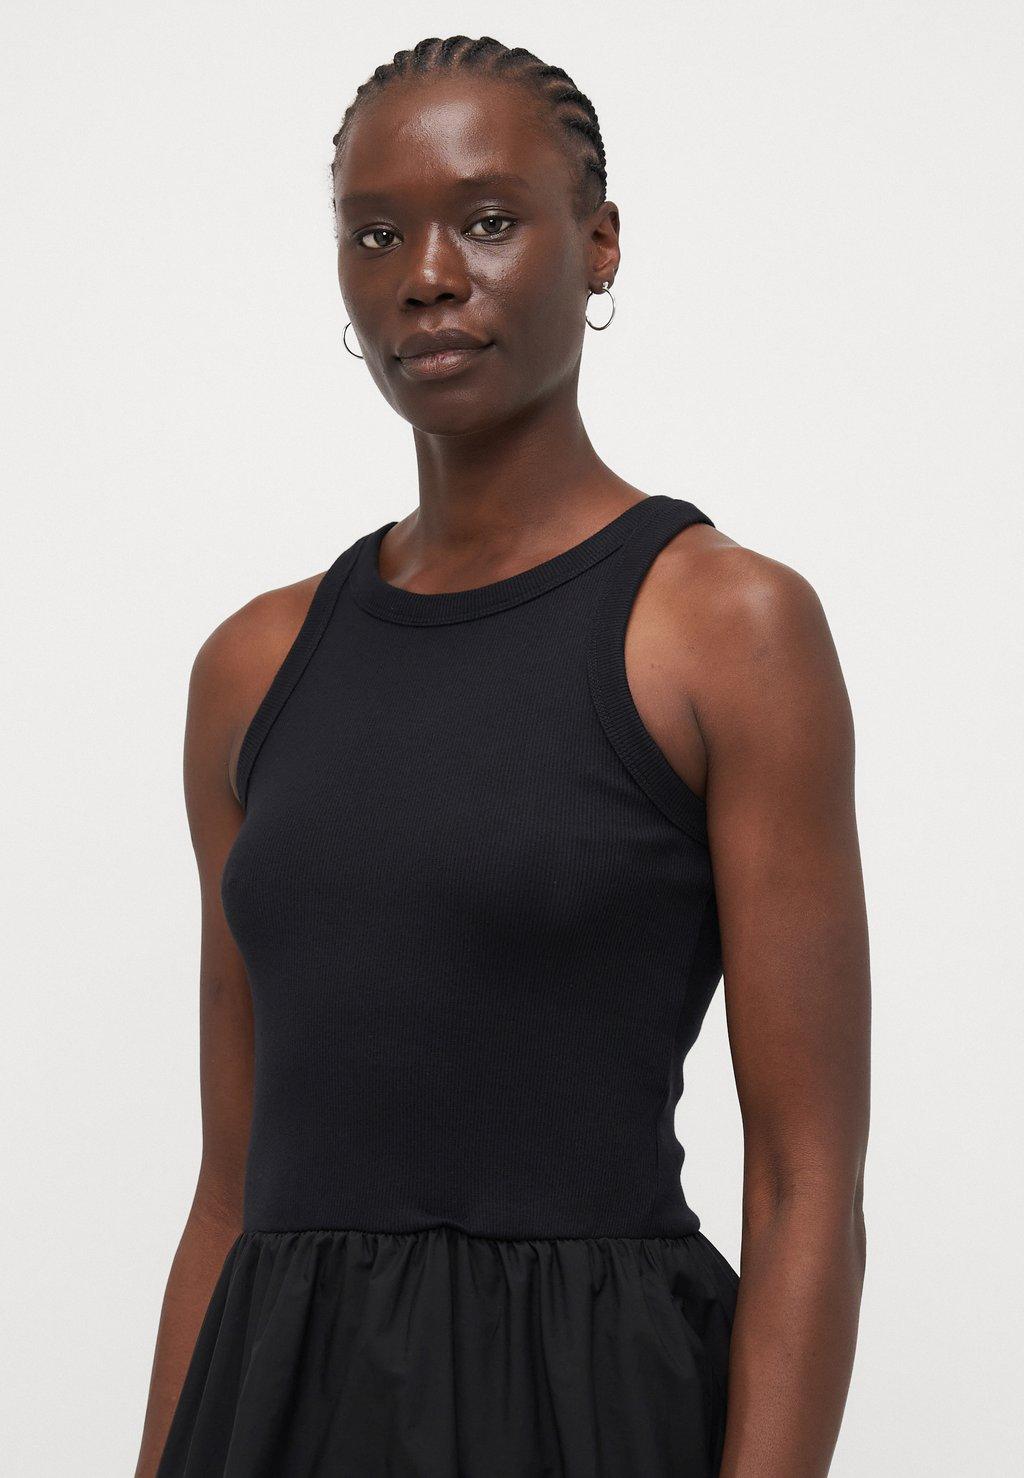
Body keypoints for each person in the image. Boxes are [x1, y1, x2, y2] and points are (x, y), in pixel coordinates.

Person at [134, 34, 870, 1478]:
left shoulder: (725, 628)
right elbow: (229, 1190)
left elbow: (807, 1183)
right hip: (276, 1413)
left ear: (597, 246)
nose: (425, 275)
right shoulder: (253, 668)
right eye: (375, 233)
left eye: (485, 220)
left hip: (586, 1410)